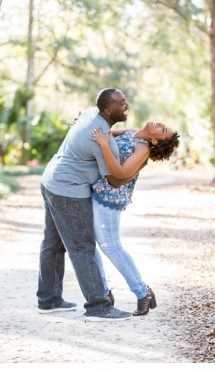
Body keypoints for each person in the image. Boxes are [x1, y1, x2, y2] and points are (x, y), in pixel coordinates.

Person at [37, 88, 133, 321]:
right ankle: (98, 307)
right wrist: (135, 169)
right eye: (122, 103)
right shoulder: (100, 140)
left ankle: (49, 300)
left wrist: (128, 132)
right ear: (108, 110)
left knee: (53, 243)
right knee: (82, 247)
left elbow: (110, 134)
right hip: (68, 192)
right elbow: (113, 178)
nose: (127, 105)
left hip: (51, 181)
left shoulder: (91, 114)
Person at [88, 119, 180, 316]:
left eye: (162, 129)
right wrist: (82, 125)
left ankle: (143, 292)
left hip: (110, 199)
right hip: (96, 190)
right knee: (89, 242)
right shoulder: (131, 131)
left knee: (111, 245)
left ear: (155, 142)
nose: (160, 123)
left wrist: (104, 145)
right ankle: (103, 292)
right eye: (163, 125)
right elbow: (106, 133)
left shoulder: (143, 149)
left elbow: (120, 172)